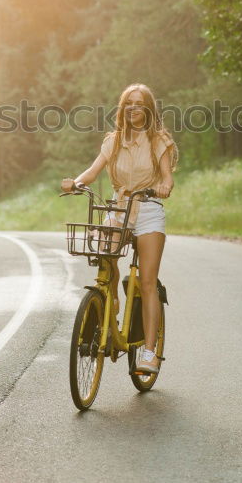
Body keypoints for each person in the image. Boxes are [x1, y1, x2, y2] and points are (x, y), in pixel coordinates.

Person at [61, 83, 178, 375]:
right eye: (128, 103)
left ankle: (149, 353)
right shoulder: (113, 141)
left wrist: (163, 187)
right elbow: (92, 171)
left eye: (139, 104)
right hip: (118, 208)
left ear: (148, 109)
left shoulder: (158, 140)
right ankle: (108, 313)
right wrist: (76, 183)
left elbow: (167, 179)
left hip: (148, 210)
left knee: (147, 282)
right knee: (105, 260)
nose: (133, 108)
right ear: (122, 108)